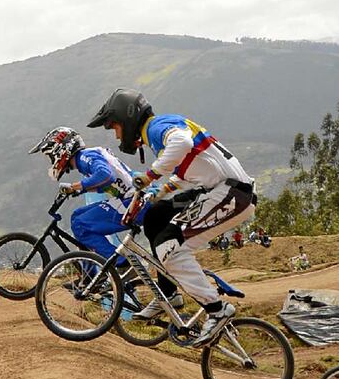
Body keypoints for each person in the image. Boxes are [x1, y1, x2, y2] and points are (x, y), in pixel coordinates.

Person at [87, 88, 256, 345]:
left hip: (230, 194)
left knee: (170, 247)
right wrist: (161, 191)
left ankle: (216, 309)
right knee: (155, 217)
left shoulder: (157, 128)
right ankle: (168, 295)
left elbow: (182, 144)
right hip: (217, 190)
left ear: (127, 119)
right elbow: (188, 167)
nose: (117, 135)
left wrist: (150, 176)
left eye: (115, 127)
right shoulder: (160, 129)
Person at [29, 126, 145, 270]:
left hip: (134, 203)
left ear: (61, 149)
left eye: (51, 156)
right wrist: (79, 190)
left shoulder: (85, 157)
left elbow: (106, 175)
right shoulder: (88, 156)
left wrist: (75, 186)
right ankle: (89, 274)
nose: (52, 160)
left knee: (80, 224)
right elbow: (108, 183)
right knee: (77, 216)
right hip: (132, 198)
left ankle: (123, 265)